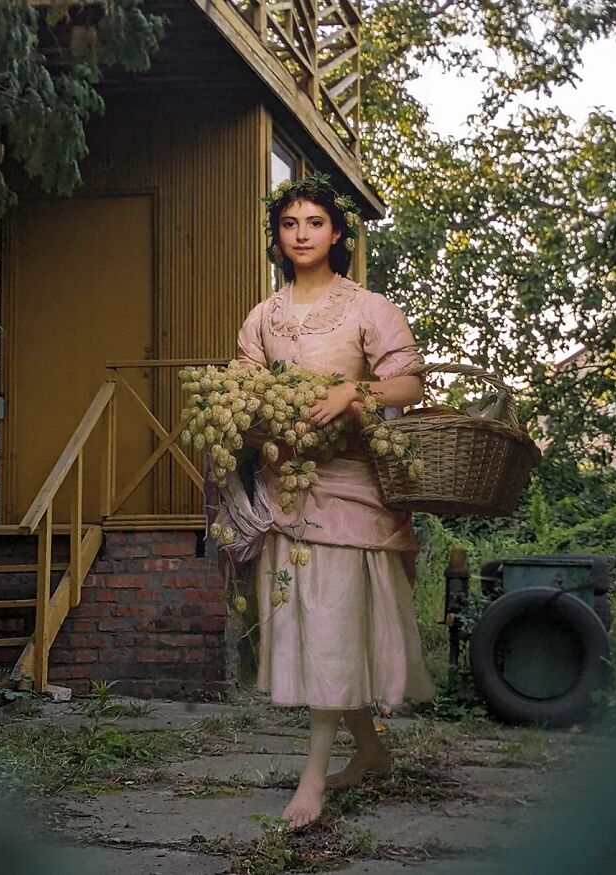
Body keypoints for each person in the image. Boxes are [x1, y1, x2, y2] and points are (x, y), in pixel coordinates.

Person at [237, 172, 436, 829]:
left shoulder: (367, 307)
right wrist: (247, 420)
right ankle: (372, 752)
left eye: (314, 223)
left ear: (338, 233)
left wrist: (355, 394)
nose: (301, 234)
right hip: (287, 489)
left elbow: (408, 384)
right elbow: (243, 391)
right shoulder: (263, 317)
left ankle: (313, 778)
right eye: (289, 224)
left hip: (351, 486)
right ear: (277, 237)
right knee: (316, 628)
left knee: (330, 625)